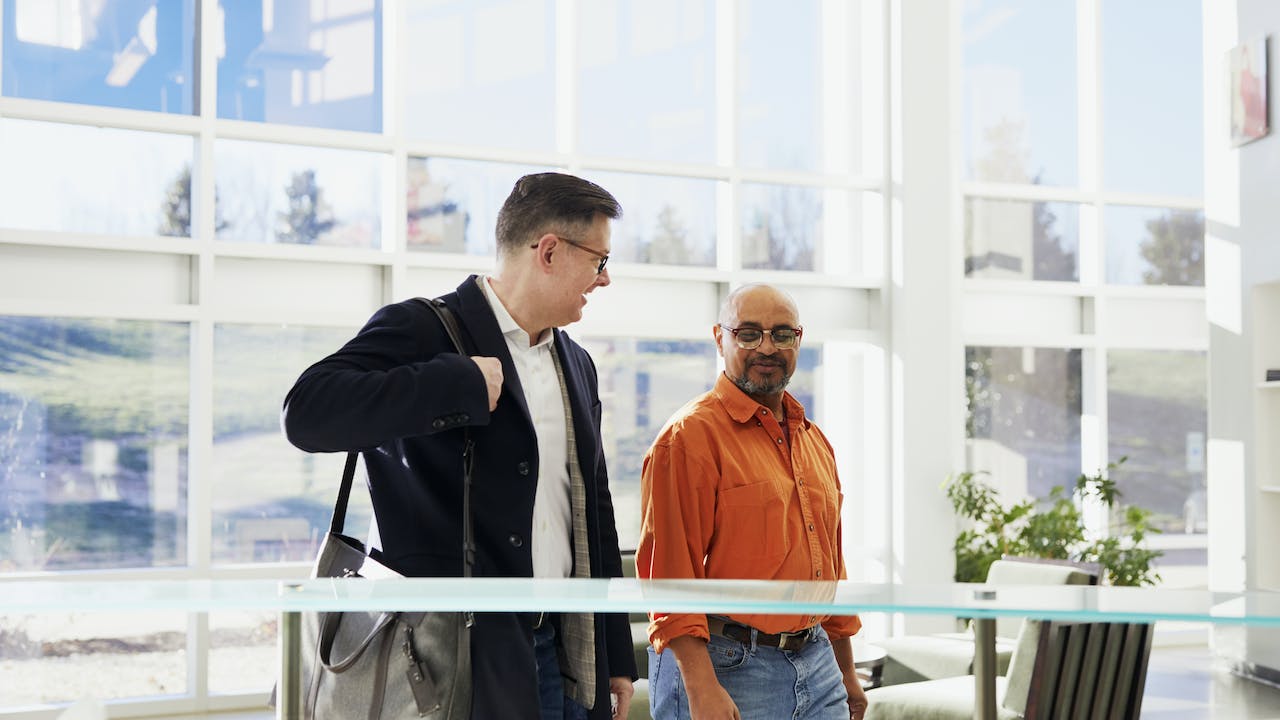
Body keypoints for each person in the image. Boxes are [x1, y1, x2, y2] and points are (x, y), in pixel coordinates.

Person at [282, 172, 637, 719]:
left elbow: (593, 507)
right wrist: (457, 383)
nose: (605, 278)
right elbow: (307, 413)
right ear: (549, 251)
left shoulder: (578, 363)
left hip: (561, 650)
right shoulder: (423, 329)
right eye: (599, 260)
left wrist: (613, 654)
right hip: (452, 655)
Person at [636, 284, 869, 720]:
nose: (767, 347)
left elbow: (829, 567)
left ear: (798, 340)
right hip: (725, 666)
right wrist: (701, 688)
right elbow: (668, 574)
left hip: (818, 663)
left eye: (782, 334)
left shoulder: (814, 441)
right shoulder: (688, 438)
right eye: (748, 334)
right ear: (719, 338)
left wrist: (845, 671)